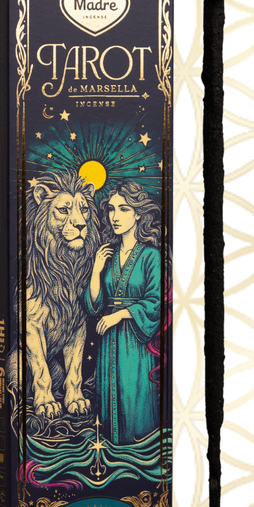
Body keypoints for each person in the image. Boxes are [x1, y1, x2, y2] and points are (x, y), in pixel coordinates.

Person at [82, 181, 164, 444]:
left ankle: (140, 456)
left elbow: (156, 302)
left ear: (138, 214)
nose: (114, 216)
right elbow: (94, 305)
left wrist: (119, 315)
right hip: (109, 341)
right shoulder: (108, 255)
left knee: (134, 398)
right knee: (109, 402)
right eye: (111, 209)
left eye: (123, 209)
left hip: (136, 343)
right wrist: (96, 270)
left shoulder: (151, 256)